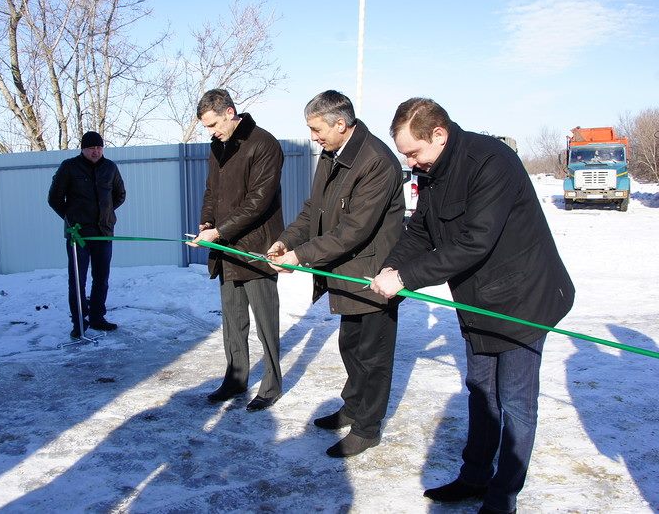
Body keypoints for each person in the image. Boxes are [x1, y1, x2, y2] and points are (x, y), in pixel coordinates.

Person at [370, 98, 575, 514]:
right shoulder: (432, 171)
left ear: (439, 136)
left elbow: (475, 240)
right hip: (478, 299)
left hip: (522, 299)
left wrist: (407, 278)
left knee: (515, 400)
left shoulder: (490, 162)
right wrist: (392, 265)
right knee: (481, 390)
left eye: (413, 152)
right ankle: (475, 477)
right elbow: (421, 231)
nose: (410, 162)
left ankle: (503, 499)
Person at [267, 90, 405, 458]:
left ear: (340, 123)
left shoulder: (376, 161)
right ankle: (353, 406)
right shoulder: (332, 155)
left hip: (373, 274)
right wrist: (286, 241)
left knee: (373, 356)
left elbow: (353, 231)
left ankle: (367, 427)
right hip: (346, 270)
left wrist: (302, 256)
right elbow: (315, 210)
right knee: (351, 346)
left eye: (316, 129)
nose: (314, 137)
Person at [189, 89, 284, 412]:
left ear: (229, 112)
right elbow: (211, 192)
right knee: (233, 320)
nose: (211, 131)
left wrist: (220, 230)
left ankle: (272, 383)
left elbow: (259, 201)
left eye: (213, 123)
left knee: (265, 321)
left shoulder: (264, 144)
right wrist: (206, 223)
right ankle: (236, 378)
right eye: (206, 127)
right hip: (225, 249)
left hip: (257, 248)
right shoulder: (217, 147)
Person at [48, 131, 126, 338]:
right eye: (92, 148)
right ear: (83, 148)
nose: (96, 151)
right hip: (78, 236)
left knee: (101, 278)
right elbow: (54, 198)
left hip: (103, 233)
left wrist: (106, 213)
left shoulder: (110, 168)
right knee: (77, 280)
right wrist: (71, 218)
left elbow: (120, 195)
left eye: (99, 148)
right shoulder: (69, 167)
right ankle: (79, 322)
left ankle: (98, 318)